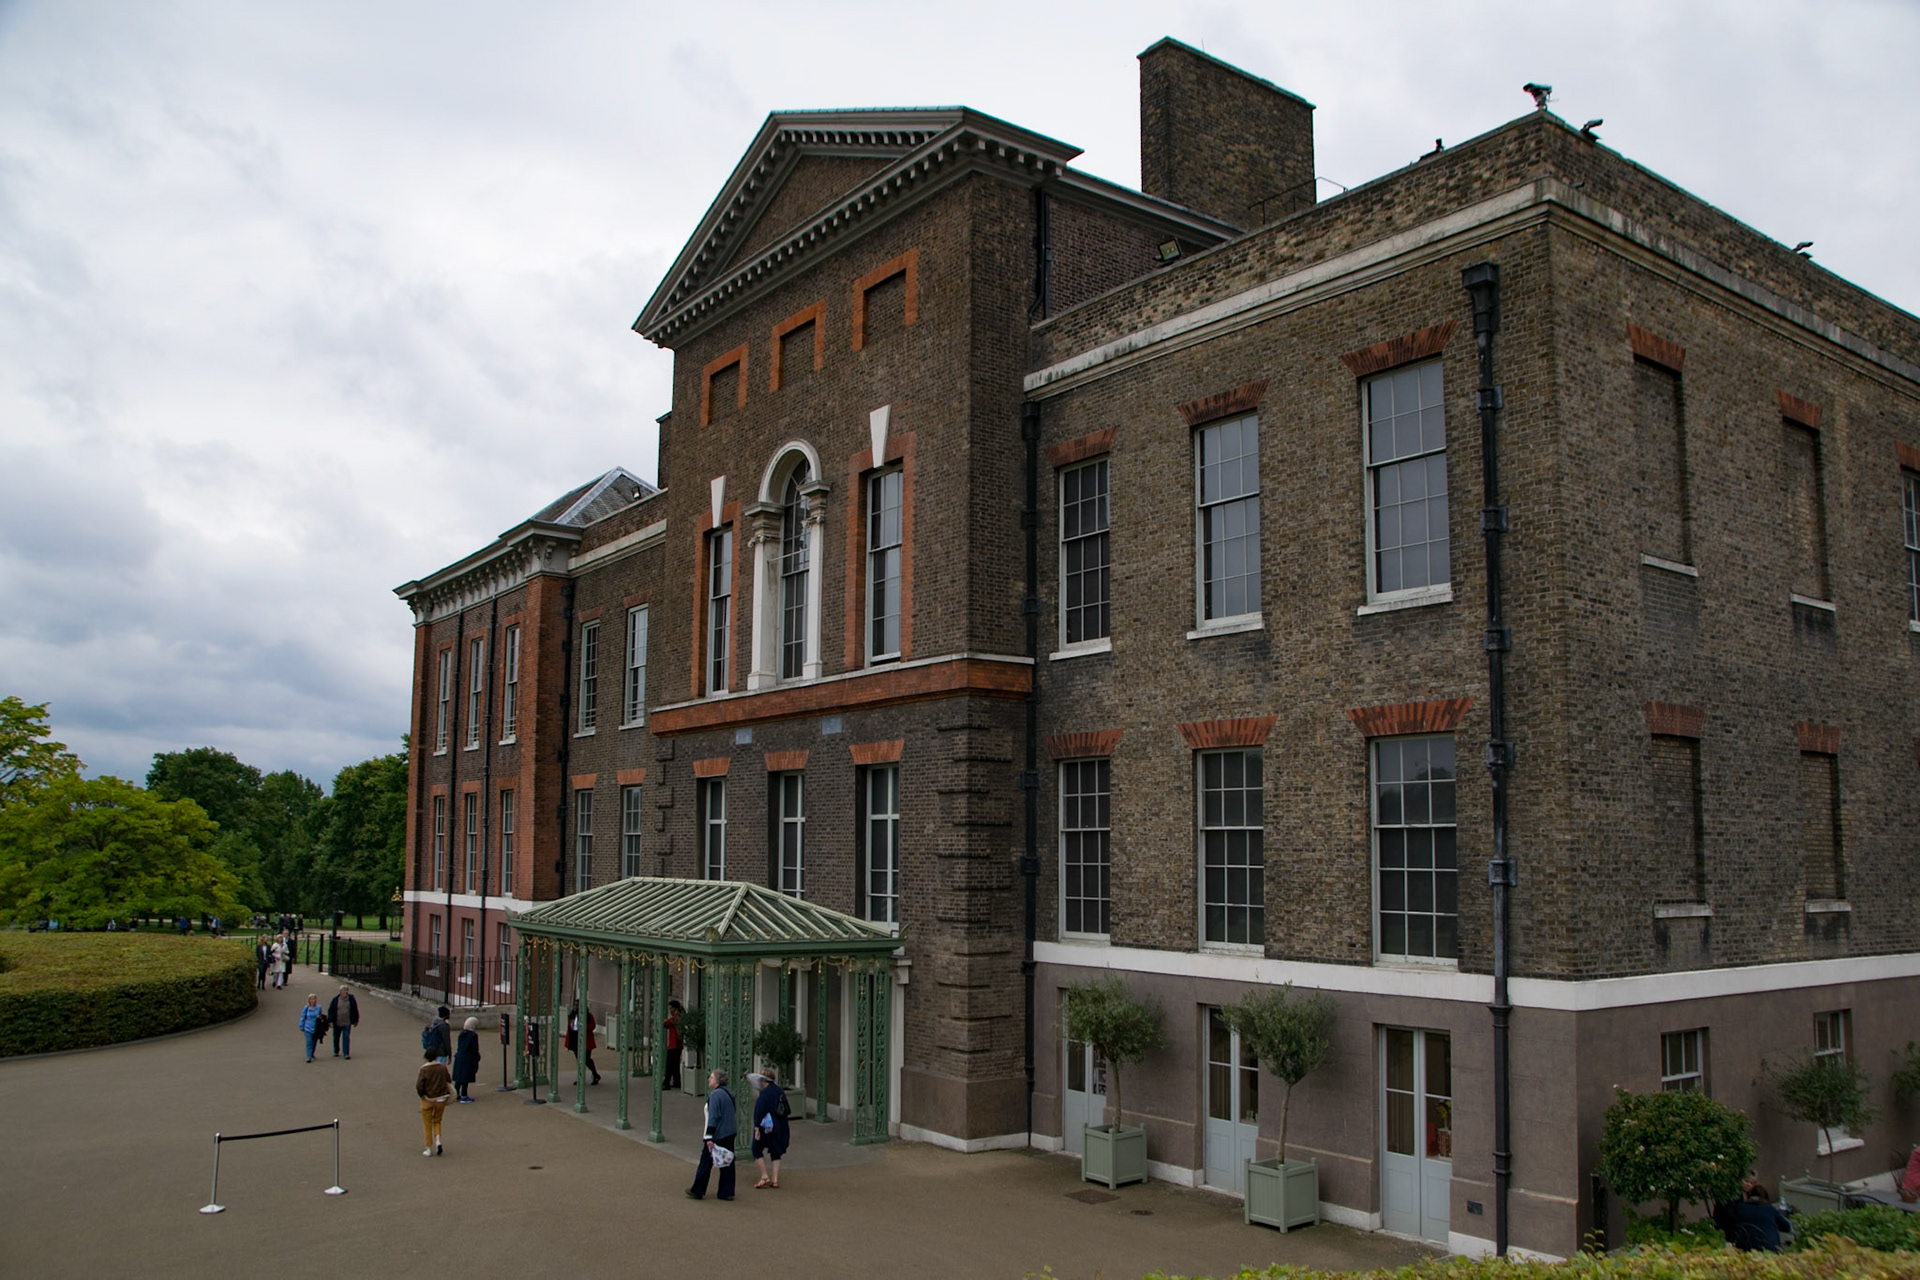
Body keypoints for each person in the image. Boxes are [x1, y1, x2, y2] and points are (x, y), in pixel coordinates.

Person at [686, 1068, 737, 1200]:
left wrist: (709, 1137)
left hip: (717, 1134)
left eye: (712, 1077)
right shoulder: (729, 1093)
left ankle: (698, 1190)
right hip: (730, 1132)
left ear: (718, 1080)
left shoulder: (715, 1095)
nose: (709, 1079)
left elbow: (713, 1117)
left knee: (705, 1162)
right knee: (727, 1162)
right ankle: (727, 1192)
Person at [750, 1064, 791, 1189]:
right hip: (780, 1125)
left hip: (766, 1126)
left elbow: (759, 1111)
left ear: (764, 1080)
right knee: (776, 1152)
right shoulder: (779, 1090)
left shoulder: (765, 1093)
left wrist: (757, 1128)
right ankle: (775, 1179)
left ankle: (764, 1176)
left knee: (756, 1149)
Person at [1729, 1184, 1792, 1252]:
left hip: (1745, 1248)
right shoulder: (1769, 1208)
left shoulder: (1740, 1207)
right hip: (1769, 1249)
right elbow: (1787, 1227)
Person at [416, 1049, 453, 1156]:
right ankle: (438, 1140)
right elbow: (448, 1080)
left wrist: (422, 1095)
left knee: (427, 1124)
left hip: (428, 1099)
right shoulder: (442, 1067)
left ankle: (428, 1148)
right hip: (441, 1098)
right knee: (437, 1120)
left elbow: (419, 1085)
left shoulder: (424, 1069)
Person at [564, 1004, 601, 1086]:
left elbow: (592, 1026)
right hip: (575, 1041)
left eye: (577, 1006)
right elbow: (570, 1026)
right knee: (579, 1060)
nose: (576, 1008)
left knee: (586, 1059)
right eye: (575, 1006)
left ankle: (595, 1074)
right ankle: (581, 1078)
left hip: (586, 1042)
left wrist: (583, 1026)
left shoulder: (588, 1016)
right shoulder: (572, 1015)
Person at [452, 1017, 481, 1102]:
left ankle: (456, 1094)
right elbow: (474, 1048)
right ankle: (464, 1095)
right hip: (468, 1058)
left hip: (459, 1056)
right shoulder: (473, 1035)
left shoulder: (461, 1034)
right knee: (466, 1077)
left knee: (458, 1077)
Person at [327, 986, 359, 1059]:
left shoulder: (351, 999)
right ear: (340, 991)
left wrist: (356, 1020)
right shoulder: (335, 1000)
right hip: (337, 1023)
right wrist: (330, 1021)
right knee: (336, 1038)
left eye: (347, 990)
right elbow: (330, 1011)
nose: (346, 992)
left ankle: (346, 1053)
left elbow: (355, 1010)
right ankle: (336, 1051)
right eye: (344, 990)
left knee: (346, 1038)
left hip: (347, 1023)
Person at [662, 999, 684, 1091]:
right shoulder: (679, 1016)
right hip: (676, 1044)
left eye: (671, 1008)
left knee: (669, 1065)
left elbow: (666, 1023)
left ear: (674, 1008)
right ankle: (676, 1082)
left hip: (674, 1044)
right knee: (675, 1065)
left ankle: (666, 1082)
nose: (670, 1010)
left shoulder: (677, 1017)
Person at [298, 994, 323, 1063]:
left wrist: (319, 1017)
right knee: (309, 1042)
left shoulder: (319, 1007)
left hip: (316, 1028)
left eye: (314, 999)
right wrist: (301, 1026)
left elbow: (321, 1016)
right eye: (312, 999)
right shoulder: (306, 1008)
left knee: (314, 1042)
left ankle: (312, 1053)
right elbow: (303, 1017)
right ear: (309, 1000)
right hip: (307, 1027)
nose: (313, 1000)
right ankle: (308, 1056)